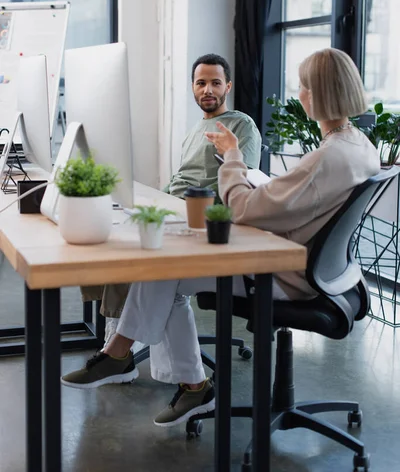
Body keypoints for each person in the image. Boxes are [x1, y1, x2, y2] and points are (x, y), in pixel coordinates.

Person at [62, 47, 380, 428]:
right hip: (320, 269)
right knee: (165, 272)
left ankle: (142, 365)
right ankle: (157, 370)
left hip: (286, 274)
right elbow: (301, 199)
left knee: (167, 273)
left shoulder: (327, 157)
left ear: (321, 93)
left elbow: (243, 207)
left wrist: (231, 157)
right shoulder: (359, 146)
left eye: (303, 87)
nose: (299, 95)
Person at [79, 53, 262, 343]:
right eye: (201, 83)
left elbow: (244, 180)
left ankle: (116, 337)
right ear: (192, 86)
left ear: (228, 86)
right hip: (174, 205)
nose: (208, 90)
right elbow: (182, 179)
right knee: (107, 232)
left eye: (216, 83)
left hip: (201, 217)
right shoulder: (193, 131)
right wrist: (151, 200)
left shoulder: (241, 125)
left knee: (128, 247)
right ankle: (115, 321)